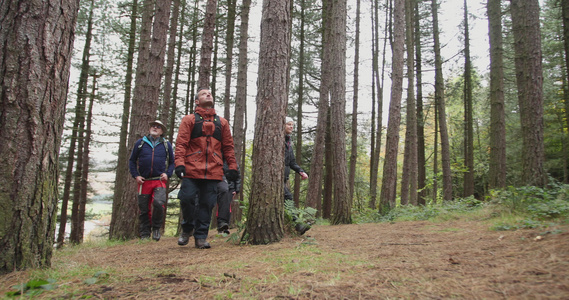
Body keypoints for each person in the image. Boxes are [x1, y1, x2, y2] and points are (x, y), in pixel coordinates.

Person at [175, 88, 240, 249]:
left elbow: (228, 147)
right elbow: (181, 144)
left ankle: (201, 237)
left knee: (207, 204)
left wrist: (232, 167)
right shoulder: (189, 120)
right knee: (187, 198)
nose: (208, 94)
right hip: (191, 169)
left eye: (210, 93)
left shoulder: (222, 123)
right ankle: (187, 227)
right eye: (204, 94)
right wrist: (179, 164)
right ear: (197, 101)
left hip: (213, 171)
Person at [128, 120, 174, 241]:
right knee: (144, 208)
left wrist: (168, 174)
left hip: (159, 180)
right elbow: (132, 161)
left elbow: (172, 162)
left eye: (158, 127)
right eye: (153, 125)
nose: (155, 127)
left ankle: (156, 229)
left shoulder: (166, 144)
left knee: (159, 203)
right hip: (144, 181)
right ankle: (144, 233)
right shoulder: (141, 143)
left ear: (162, 131)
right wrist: (136, 176)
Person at [284, 117, 310, 235]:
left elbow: (292, 162)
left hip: (283, 178)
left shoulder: (288, 143)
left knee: (286, 199)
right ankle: (298, 225)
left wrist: (301, 171)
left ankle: (293, 225)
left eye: (292, 125)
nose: (291, 127)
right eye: (288, 124)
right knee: (288, 197)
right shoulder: (276, 140)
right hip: (275, 179)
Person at [216, 162, 241, 234]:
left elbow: (238, 176)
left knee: (227, 205)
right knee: (220, 205)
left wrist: (236, 190)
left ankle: (226, 225)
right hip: (220, 186)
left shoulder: (233, 162)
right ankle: (220, 225)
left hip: (231, 188)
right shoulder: (218, 159)